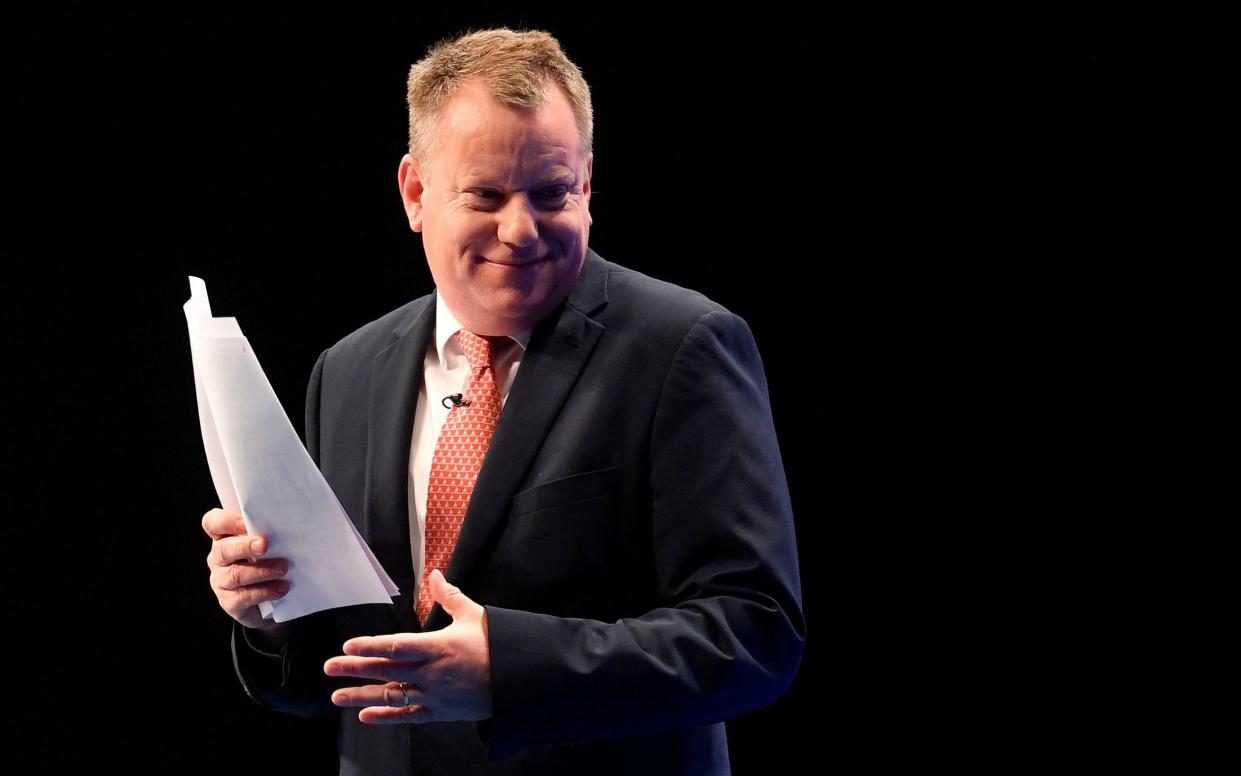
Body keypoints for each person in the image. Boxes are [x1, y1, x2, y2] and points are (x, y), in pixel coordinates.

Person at [202, 27, 804, 775]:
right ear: (415, 193)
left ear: (586, 184)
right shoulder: (347, 370)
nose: (520, 230)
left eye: (551, 193)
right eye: (485, 194)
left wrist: (509, 672)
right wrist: (270, 622)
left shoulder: (683, 347)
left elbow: (753, 636)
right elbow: (335, 667)